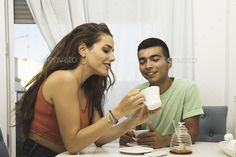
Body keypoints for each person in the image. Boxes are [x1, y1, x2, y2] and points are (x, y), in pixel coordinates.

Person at [17, 23, 160, 157]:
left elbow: (100, 137)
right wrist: (118, 111)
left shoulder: (86, 88)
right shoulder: (64, 79)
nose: (112, 57)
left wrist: (135, 120)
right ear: (83, 50)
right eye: (106, 50)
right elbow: (73, 145)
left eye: (112, 52)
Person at [119, 37, 204, 148]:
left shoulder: (188, 88)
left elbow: (192, 134)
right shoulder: (137, 91)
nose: (148, 66)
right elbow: (133, 129)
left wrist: (165, 140)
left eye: (155, 59)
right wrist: (126, 135)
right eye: (142, 61)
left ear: (169, 63)